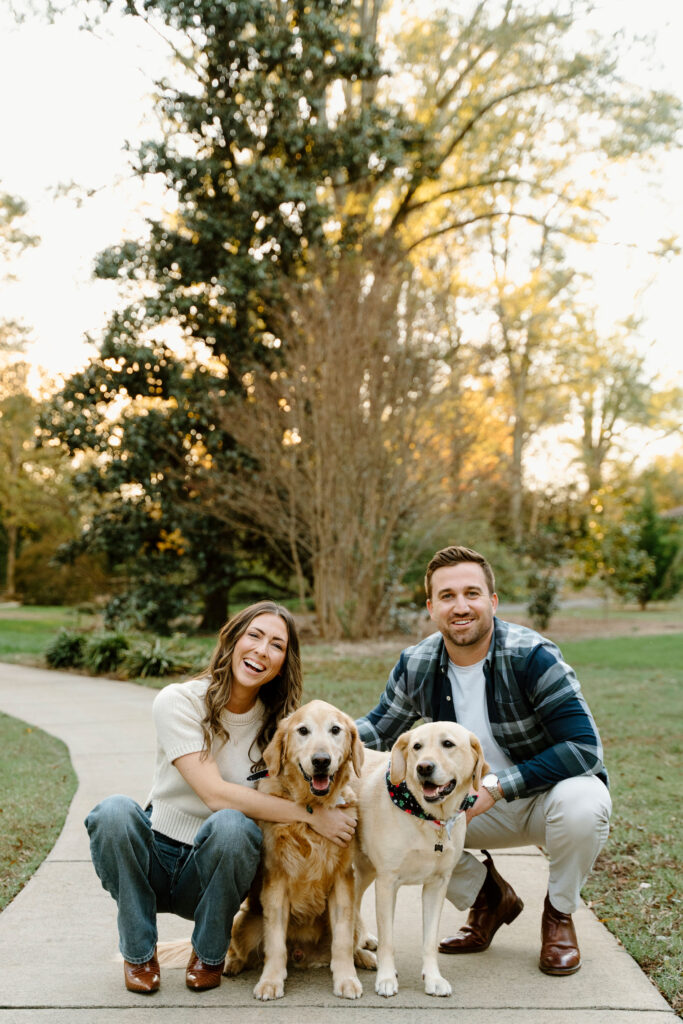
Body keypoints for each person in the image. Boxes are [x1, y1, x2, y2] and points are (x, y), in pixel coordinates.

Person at [356, 546, 611, 976]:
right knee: (382, 809)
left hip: (539, 798)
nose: (460, 606)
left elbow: (584, 749)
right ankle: (489, 899)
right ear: (431, 607)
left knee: (584, 804)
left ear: (492, 601)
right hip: (463, 806)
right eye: (447, 596)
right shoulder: (416, 663)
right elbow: (377, 731)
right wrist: (317, 738)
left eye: (472, 593)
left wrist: (499, 786)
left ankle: (559, 917)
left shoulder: (532, 656)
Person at [85, 600, 356, 995]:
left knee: (233, 828)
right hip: (157, 854)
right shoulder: (178, 701)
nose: (262, 651)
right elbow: (213, 793)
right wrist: (313, 815)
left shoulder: (279, 727)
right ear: (232, 639)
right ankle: (140, 954)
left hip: (217, 870)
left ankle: (208, 955)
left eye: (277, 645)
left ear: (284, 661)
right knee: (112, 813)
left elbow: (332, 753)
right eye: (255, 636)